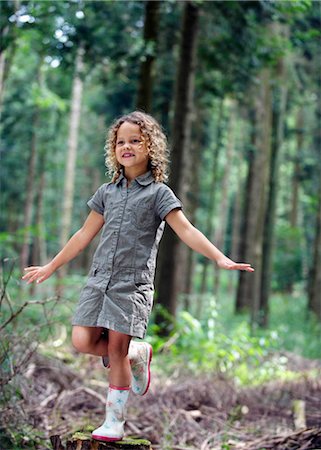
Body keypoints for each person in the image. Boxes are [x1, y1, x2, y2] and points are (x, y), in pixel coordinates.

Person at [22, 111, 254, 442]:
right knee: (82, 341)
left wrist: (220, 258)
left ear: (151, 147)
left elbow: (186, 230)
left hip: (131, 287)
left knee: (115, 351)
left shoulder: (159, 193)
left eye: (135, 140)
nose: (126, 146)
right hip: (99, 281)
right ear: (113, 149)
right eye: (120, 142)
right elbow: (83, 235)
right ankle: (137, 354)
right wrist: (51, 266)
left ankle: (113, 421)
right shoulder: (107, 192)